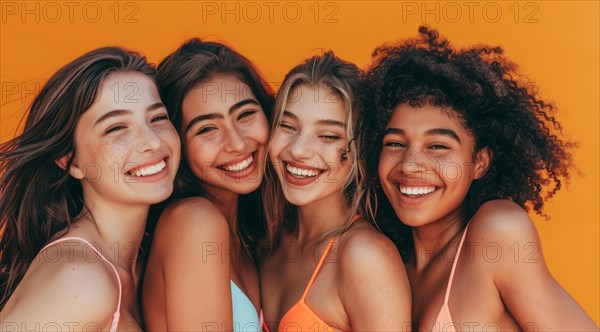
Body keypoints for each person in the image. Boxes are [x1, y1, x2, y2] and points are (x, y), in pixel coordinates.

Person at [359, 26, 598, 331]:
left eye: (437, 146)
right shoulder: (386, 260)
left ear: (480, 163)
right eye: (395, 143)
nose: (410, 165)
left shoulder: (496, 233)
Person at [0, 47, 180, 331]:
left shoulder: (146, 257)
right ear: (70, 161)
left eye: (158, 118)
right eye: (116, 128)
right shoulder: (81, 280)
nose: (154, 143)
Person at [260, 51, 411, 332]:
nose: (298, 150)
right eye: (288, 126)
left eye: (328, 136)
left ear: (358, 152)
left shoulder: (365, 256)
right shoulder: (269, 244)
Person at [142, 39, 273, 331]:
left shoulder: (249, 238)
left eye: (246, 114)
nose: (237, 143)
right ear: (176, 142)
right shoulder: (194, 222)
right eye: (206, 129)